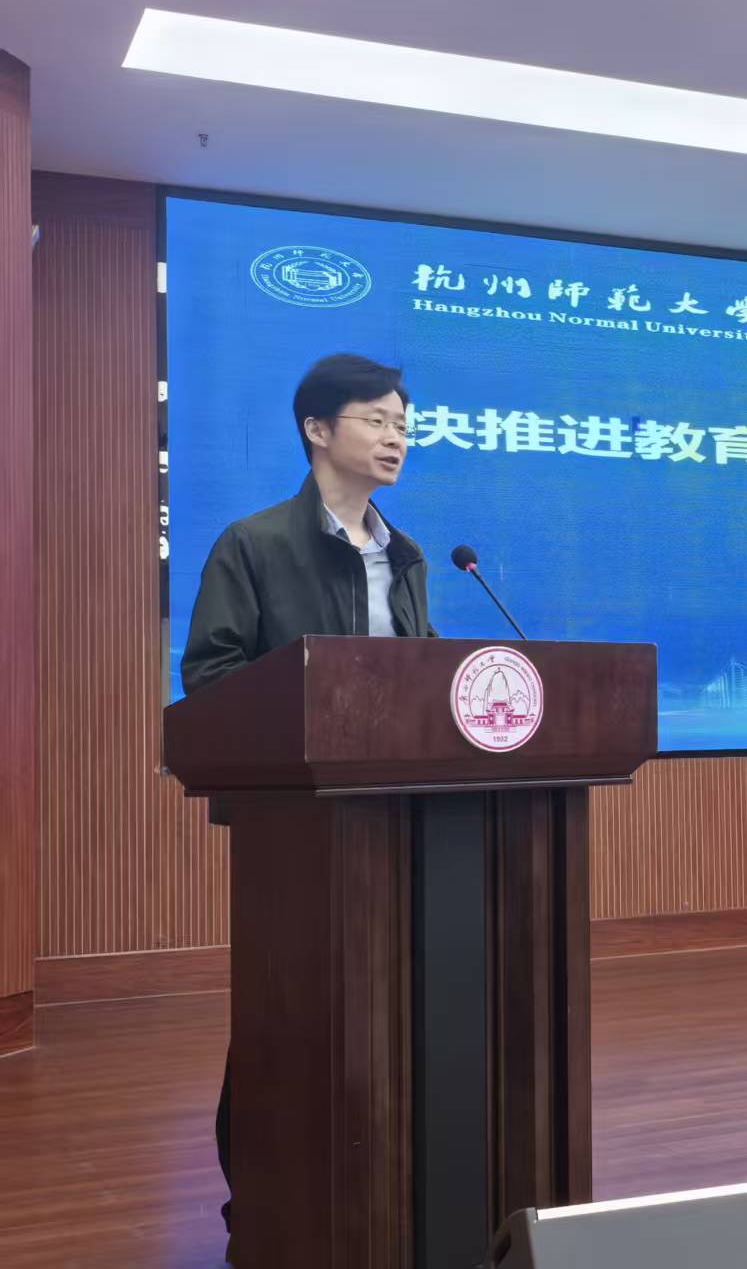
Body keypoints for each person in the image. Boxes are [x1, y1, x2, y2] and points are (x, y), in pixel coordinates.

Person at [180, 353, 437, 1260]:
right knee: (287, 1012)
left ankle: (388, 1179)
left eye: (404, 423)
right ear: (318, 430)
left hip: (402, 819)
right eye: (377, 419)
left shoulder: (407, 557)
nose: (396, 436)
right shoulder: (253, 544)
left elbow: (425, 681)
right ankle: (263, 1194)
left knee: (394, 1009)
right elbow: (211, 675)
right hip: (295, 828)